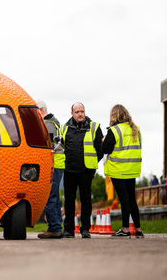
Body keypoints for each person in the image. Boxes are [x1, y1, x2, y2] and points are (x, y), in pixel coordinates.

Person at [61, 102, 104, 238]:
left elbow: (100, 150)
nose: (80, 114)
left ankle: (85, 229)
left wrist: (92, 163)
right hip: (69, 170)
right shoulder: (64, 128)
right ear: (72, 114)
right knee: (69, 201)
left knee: (86, 200)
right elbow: (60, 148)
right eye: (77, 112)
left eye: (82, 111)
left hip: (86, 170)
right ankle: (68, 229)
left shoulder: (94, 127)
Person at [102, 104, 143, 238]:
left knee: (124, 199)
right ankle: (138, 229)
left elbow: (105, 149)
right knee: (132, 199)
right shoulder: (136, 130)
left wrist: (103, 140)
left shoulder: (114, 130)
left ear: (113, 116)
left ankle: (125, 229)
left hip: (118, 170)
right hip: (132, 169)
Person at [36, 100, 64, 239]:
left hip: (53, 164)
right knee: (55, 197)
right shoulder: (54, 122)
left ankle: (54, 228)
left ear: (41, 110)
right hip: (57, 164)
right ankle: (57, 226)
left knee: (49, 196)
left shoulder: (48, 125)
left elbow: (47, 146)